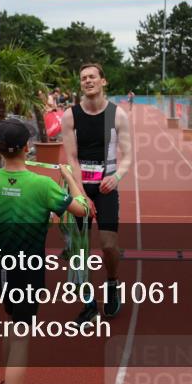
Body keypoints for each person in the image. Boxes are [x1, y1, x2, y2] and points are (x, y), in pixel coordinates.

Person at [0, 118, 88, 384]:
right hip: (28, 270)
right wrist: (71, 178)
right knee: (23, 332)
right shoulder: (43, 185)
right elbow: (81, 208)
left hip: (0, 267)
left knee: (13, 322)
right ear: (28, 147)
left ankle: (6, 380)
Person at [60, 62, 133, 322]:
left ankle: (112, 285)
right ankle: (89, 303)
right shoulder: (70, 116)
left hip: (105, 187)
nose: (87, 81)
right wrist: (81, 194)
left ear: (104, 81)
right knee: (80, 250)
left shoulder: (117, 115)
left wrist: (116, 177)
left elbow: (127, 157)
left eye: (92, 77)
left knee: (108, 245)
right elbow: (71, 158)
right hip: (80, 185)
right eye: (83, 78)